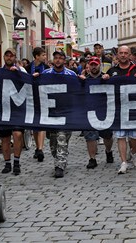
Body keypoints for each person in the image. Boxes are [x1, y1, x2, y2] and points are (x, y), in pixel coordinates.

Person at [102, 45, 136, 174]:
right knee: (120, 136)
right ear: (117, 55)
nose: (123, 55)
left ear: (130, 55)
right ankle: (123, 162)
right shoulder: (112, 70)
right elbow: (105, 86)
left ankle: (135, 153)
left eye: (126, 53)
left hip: (134, 108)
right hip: (118, 108)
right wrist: (105, 79)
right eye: (121, 53)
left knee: (134, 137)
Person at [42, 49, 78, 178]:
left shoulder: (71, 74)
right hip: (50, 113)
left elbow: (77, 91)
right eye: (56, 58)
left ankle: (60, 166)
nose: (58, 60)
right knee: (53, 143)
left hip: (65, 112)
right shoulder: (45, 74)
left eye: (60, 58)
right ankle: (58, 159)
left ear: (64, 60)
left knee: (62, 139)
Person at [82, 57, 114, 168]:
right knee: (90, 136)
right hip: (90, 111)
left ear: (99, 65)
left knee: (108, 136)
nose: (94, 67)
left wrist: (109, 79)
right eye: (92, 64)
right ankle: (92, 159)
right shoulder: (84, 80)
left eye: (96, 64)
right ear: (88, 66)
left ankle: (108, 151)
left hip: (104, 111)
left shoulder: (106, 77)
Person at [0, 48, 27, 175]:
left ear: (15, 57)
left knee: (17, 135)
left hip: (17, 109)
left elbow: (29, 82)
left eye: (12, 56)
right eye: (7, 55)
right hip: (3, 109)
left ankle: (16, 161)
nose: (9, 58)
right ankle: (7, 163)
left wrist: (19, 74)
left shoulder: (20, 70)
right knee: (5, 138)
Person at [25, 47, 49, 162]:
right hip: (31, 98)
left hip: (43, 97)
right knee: (35, 124)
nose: (45, 57)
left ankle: (40, 148)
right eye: (43, 55)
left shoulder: (47, 68)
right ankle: (37, 147)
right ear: (37, 56)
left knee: (42, 123)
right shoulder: (28, 68)